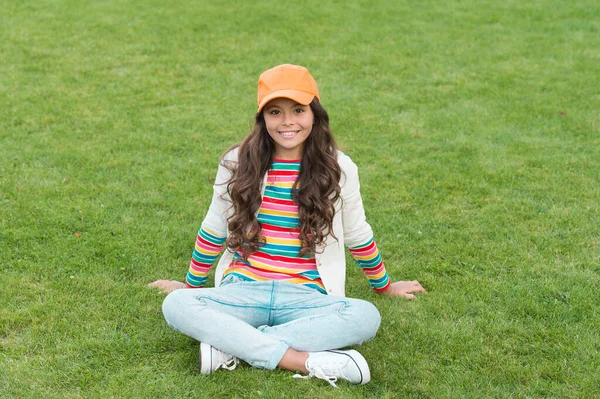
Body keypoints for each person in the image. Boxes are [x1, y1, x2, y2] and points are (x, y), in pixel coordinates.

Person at [149, 64, 426, 387]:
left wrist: (385, 287)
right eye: (275, 112)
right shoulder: (236, 163)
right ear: (262, 118)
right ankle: (299, 360)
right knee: (177, 305)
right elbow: (213, 229)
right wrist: (192, 286)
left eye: (298, 110)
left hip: (306, 298)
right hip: (243, 290)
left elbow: (357, 234)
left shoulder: (340, 168)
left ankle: (232, 346)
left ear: (315, 114)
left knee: (366, 316)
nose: (287, 122)